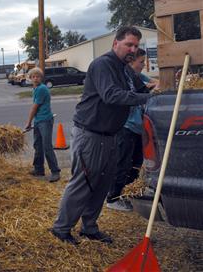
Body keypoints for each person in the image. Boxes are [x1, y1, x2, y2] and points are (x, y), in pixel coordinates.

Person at [51, 27, 153, 245]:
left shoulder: (126, 69)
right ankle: (61, 229)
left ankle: (89, 227)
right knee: (84, 182)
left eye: (136, 46)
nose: (133, 50)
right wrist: (145, 99)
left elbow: (142, 89)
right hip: (90, 133)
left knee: (102, 183)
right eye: (129, 45)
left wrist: (160, 90)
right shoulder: (102, 65)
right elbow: (111, 95)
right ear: (115, 43)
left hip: (110, 135)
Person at [106, 48, 158, 211]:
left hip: (138, 128)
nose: (143, 65)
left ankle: (127, 193)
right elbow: (138, 91)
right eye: (141, 62)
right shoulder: (124, 77)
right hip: (126, 126)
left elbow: (152, 84)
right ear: (131, 63)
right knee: (123, 162)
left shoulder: (138, 77)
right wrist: (149, 88)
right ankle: (113, 197)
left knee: (136, 163)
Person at [25, 67, 61, 182]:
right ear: (30, 78)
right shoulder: (35, 89)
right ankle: (39, 169)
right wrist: (33, 121)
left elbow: (34, 108)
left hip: (45, 120)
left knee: (47, 146)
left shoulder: (41, 89)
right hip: (38, 120)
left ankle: (55, 171)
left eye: (38, 76)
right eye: (33, 77)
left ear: (41, 78)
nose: (35, 78)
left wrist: (28, 122)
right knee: (38, 145)